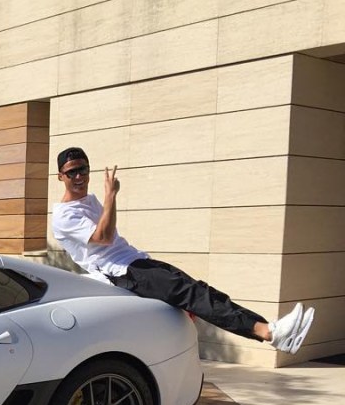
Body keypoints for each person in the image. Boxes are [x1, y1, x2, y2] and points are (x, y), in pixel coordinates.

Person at [52, 147, 314, 354]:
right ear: (61, 176)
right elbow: (105, 237)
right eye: (72, 172)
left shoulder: (89, 200)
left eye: (83, 169)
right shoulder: (64, 215)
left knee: (201, 291)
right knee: (195, 295)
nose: (79, 177)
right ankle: (271, 332)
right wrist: (111, 196)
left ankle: (272, 333)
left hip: (137, 261)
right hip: (122, 271)